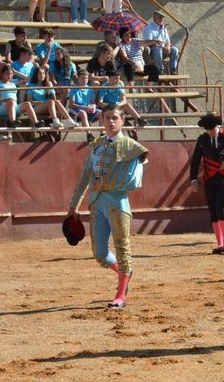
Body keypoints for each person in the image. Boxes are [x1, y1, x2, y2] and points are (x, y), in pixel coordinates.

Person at [67, 103, 149, 309]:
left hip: (117, 203)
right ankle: (125, 272)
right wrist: (73, 205)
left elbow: (133, 181)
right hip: (96, 204)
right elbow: (85, 177)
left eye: (115, 118)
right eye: (107, 118)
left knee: (122, 247)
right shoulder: (95, 146)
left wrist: (105, 185)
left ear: (122, 120)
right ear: (101, 120)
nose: (111, 121)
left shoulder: (131, 146)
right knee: (100, 254)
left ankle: (120, 295)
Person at [189, 114, 224, 254]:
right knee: (213, 211)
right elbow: (195, 159)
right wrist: (193, 179)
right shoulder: (202, 139)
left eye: (212, 129)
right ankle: (220, 244)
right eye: (208, 130)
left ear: (217, 126)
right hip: (209, 178)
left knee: (222, 208)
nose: (210, 132)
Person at [0, 64, 40, 130]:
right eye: (7, 73)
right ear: (2, 74)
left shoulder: (13, 82)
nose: (9, 76)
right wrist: (5, 100)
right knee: (11, 102)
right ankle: (13, 122)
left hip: (14, 107)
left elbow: (28, 79)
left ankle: (36, 123)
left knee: (28, 104)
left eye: (11, 74)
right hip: (3, 108)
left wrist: (16, 72)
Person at [67, 69, 101, 141]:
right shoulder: (73, 89)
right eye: (82, 78)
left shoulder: (90, 89)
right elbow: (71, 104)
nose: (84, 80)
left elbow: (93, 102)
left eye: (86, 78)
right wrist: (84, 108)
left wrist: (93, 107)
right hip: (75, 109)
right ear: (78, 78)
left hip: (87, 108)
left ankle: (102, 134)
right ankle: (89, 135)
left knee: (101, 113)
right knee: (83, 113)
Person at [143, 11, 179, 75]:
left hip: (163, 50)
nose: (161, 19)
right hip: (153, 51)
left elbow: (168, 41)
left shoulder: (164, 29)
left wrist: (168, 47)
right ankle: (160, 69)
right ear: (154, 18)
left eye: (162, 18)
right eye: (159, 18)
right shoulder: (149, 28)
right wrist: (162, 47)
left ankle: (172, 69)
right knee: (157, 49)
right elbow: (148, 42)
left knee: (175, 50)